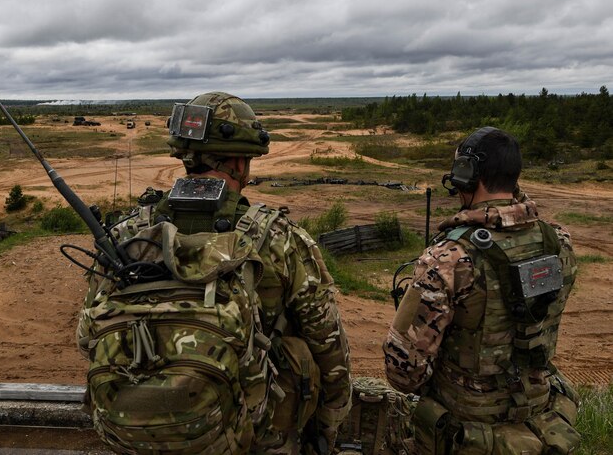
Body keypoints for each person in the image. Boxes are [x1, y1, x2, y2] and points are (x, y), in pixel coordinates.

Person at [77, 91, 352, 454]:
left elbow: (86, 337)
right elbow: (328, 347)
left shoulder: (127, 236)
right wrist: (328, 427)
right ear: (239, 164)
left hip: (134, 436)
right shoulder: (279, 238)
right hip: (253, 436)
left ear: (184, 157)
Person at [383, 127, 581, 454]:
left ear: (468, 173)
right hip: (540, 423)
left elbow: (404, 375)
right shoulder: (558, 242)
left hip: (465, 434)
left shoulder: (447, 259)